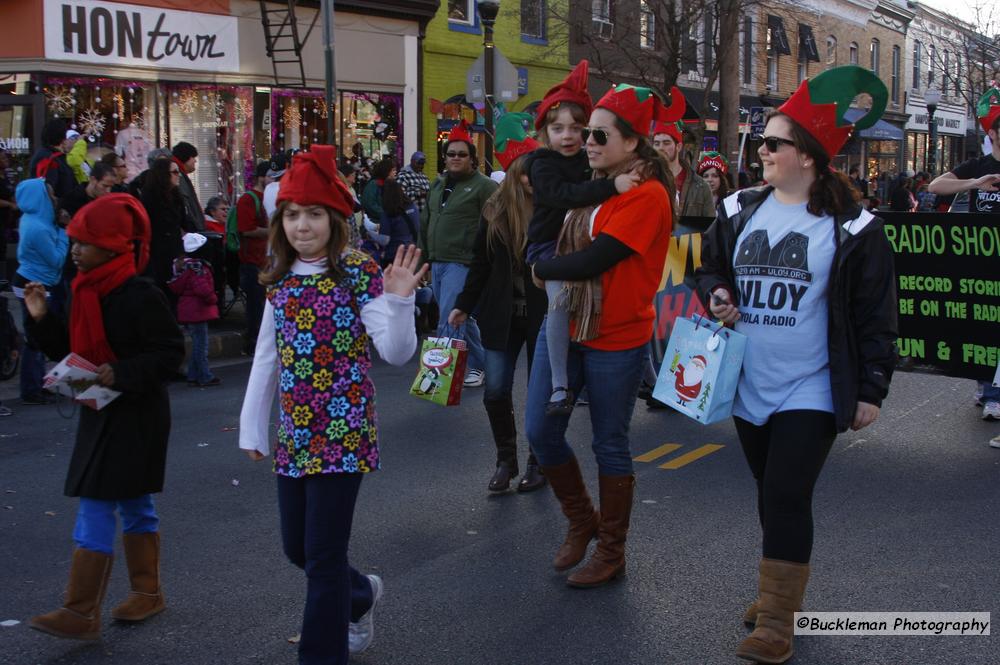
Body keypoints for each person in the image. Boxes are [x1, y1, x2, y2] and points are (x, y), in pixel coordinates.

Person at [695, 66, 898, 664]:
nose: (761, 150)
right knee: (769, 489)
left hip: (810, 383)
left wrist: (872, 389)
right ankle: (777, 590)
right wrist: (718, 294)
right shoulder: (738, 208)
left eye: (773, 143)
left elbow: (875, 315)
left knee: (786, 490)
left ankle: (777, 622)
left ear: (807, 156)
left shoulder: (855, 228)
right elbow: (710, 266)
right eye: (762, 141)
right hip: (746, 380)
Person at [238, 145, 424, 664]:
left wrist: (401, 300)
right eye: (293, 215)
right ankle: (360, 594)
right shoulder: (279, 279)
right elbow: (265, 359)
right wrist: (252, 427)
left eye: (314, 214)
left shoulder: (358, 272)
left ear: (335, 219)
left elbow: (394, 352)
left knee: (322, 557)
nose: (303, 225)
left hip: (345, 433)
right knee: (297, 549)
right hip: (295, 434)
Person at [526, 83, 674, 589]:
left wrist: (541, 266)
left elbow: (595, 259)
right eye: (586, 133)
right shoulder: (597, 183)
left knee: (609, 444)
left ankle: (611, 550)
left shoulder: (648, 194)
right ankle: (581, 519)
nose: (586, 141)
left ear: (632, 143)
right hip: (566, 328)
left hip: (617, 336)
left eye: (598, 135)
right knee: (542, 431)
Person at [24, 194, 185, 641]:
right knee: (133, 502)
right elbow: (69, 352)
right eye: (73, 242)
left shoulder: (139, 294)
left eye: (84, 243)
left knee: (98, 501)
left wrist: (125, 371)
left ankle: (81, 610)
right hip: (99, 408)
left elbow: (172, 353)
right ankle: (147, 593)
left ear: (114, 248)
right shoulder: (83, 290)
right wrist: (39, 318)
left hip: (137, 413)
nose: (74, 251)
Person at [522, 61, 638, 416]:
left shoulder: (591, 160)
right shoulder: (542, 163)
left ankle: (615, 368)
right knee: (557, 305)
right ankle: (560, 385)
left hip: (580, 243)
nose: (568, 136)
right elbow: (562, 195)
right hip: (548, 247)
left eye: (577, 128)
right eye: (558, 128)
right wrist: (610, 186)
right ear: (545, 133)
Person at [449, 114, 548, 493]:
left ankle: (538, 463)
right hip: (500, 315)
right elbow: (479, 263)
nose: (528, 180)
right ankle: (505, 460)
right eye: (523, 173)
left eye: (533, 172)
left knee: (539, 395)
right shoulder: (494, 209)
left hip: (541, 317)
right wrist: (463, 304)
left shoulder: (551, 209)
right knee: (495, 390)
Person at [929, 87, 1000, 422]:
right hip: (980, 264)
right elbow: (935, 186)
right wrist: (974, 183)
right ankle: (987, 385)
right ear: (993, 134)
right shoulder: (979, 164)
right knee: (983, 326)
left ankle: (993, 390)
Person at [418, 120, 497, 388]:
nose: (455, 158)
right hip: (439, 261)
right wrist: (424, 259)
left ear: (472, 159)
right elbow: (426, 221)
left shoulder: (485, 186)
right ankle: (482, 365)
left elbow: (497, 224)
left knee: (448, 317)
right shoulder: (437, 185)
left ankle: (437, 379)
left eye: (462, 154)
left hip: (463, 262)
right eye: (451, 154)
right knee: (461, 316)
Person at [13, 178, 69, 405]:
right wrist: (64, 232)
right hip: (34, 284)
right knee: (36, 338)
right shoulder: (37, 227)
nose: (54, 198)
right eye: (50, 194)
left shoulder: (38, 220)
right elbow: (56, 259)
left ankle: (39, 384)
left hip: (40, 281)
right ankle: (31, 388)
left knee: (41, 335)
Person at [168, 233, 220, 387]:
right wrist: (213, 298)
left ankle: (193, 374)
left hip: (188, 310)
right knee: (201, 346)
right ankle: (204, 376)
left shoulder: (182, 266)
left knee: (197, 343)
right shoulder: (198, 268)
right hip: (198, 310)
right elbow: (202, 289)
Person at [236, 162, 270, 355]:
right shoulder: (249, 200)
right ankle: (252, 343)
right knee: (256, 306)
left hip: (268, 260)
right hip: (253, 261)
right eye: (270, 177)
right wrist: (272, 231)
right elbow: (247, 230)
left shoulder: (270, 197)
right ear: (261, 177)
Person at [140, 158, 187, 300]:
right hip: (157, 254)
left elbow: (183, 223)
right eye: (174, 172)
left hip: (174, 251)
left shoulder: (177, 196)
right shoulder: (150, 198)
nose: (178, 175)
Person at [652, 115, 714, 217]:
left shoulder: (701, 187)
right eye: (656, 143)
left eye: (666, 143)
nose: (661, 148)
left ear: (678, 147)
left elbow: (710, 228)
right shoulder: (644, 180)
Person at [28, 119, 77, 199]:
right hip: (53, 209)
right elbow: (48, 188)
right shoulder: (49, 158)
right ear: (62, 138)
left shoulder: (51, 155)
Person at [378, 178, 421, 268]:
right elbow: (418, 228)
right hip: (411, 252)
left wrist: (370, 234)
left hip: (394, 255)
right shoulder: (413, 207)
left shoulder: (388, 212)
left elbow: (384, 240)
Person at [171, 141, 203, 232]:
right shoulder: (178, 176)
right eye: (193, 157)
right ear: (186, 157)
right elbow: (186, 204)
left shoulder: (180, 174)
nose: (195, 161)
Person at [361, 156, 396, 222]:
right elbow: (370, 205)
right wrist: (387, 214)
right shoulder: (373, 184)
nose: (395, 172)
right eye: (393, 170)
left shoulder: (391, 184)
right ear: (386, 171)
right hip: (376, 222)